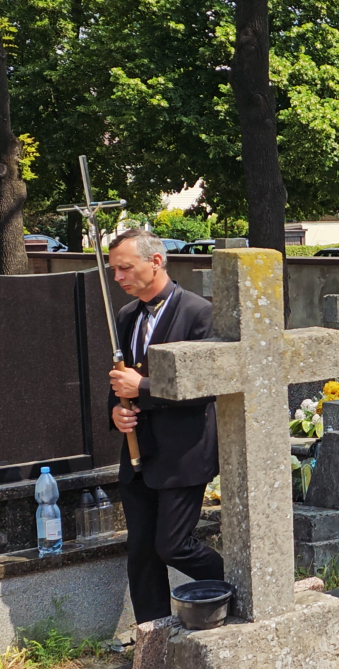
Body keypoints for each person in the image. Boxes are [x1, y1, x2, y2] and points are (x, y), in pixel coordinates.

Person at [105, 229, 224, 625]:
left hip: (183, 453)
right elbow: (118, 380)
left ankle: (239, 583)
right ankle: (151, 639)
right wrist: (116, 412)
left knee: (172, 546)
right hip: (138, 450)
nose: (118, 277)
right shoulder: (126, 315)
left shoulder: (199, 313)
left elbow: (205, 386)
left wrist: (142, 388)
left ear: (156, 261)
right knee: (141, 553)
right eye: (114, 270)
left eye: (125, 268)